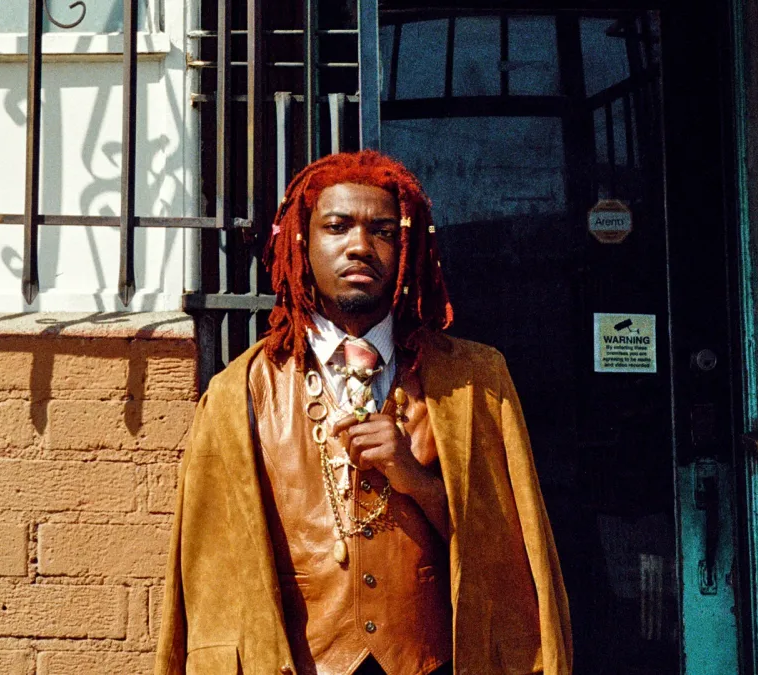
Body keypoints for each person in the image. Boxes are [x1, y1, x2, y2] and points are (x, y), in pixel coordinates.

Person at [155, 150, 571, 675]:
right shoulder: (240, 393)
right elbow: (209, 576)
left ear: (407, 249)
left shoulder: (475, 382)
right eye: (337, 227)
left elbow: (507, 556)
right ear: (302, 244)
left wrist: (416, 479)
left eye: (383, 231)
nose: (359, 246)